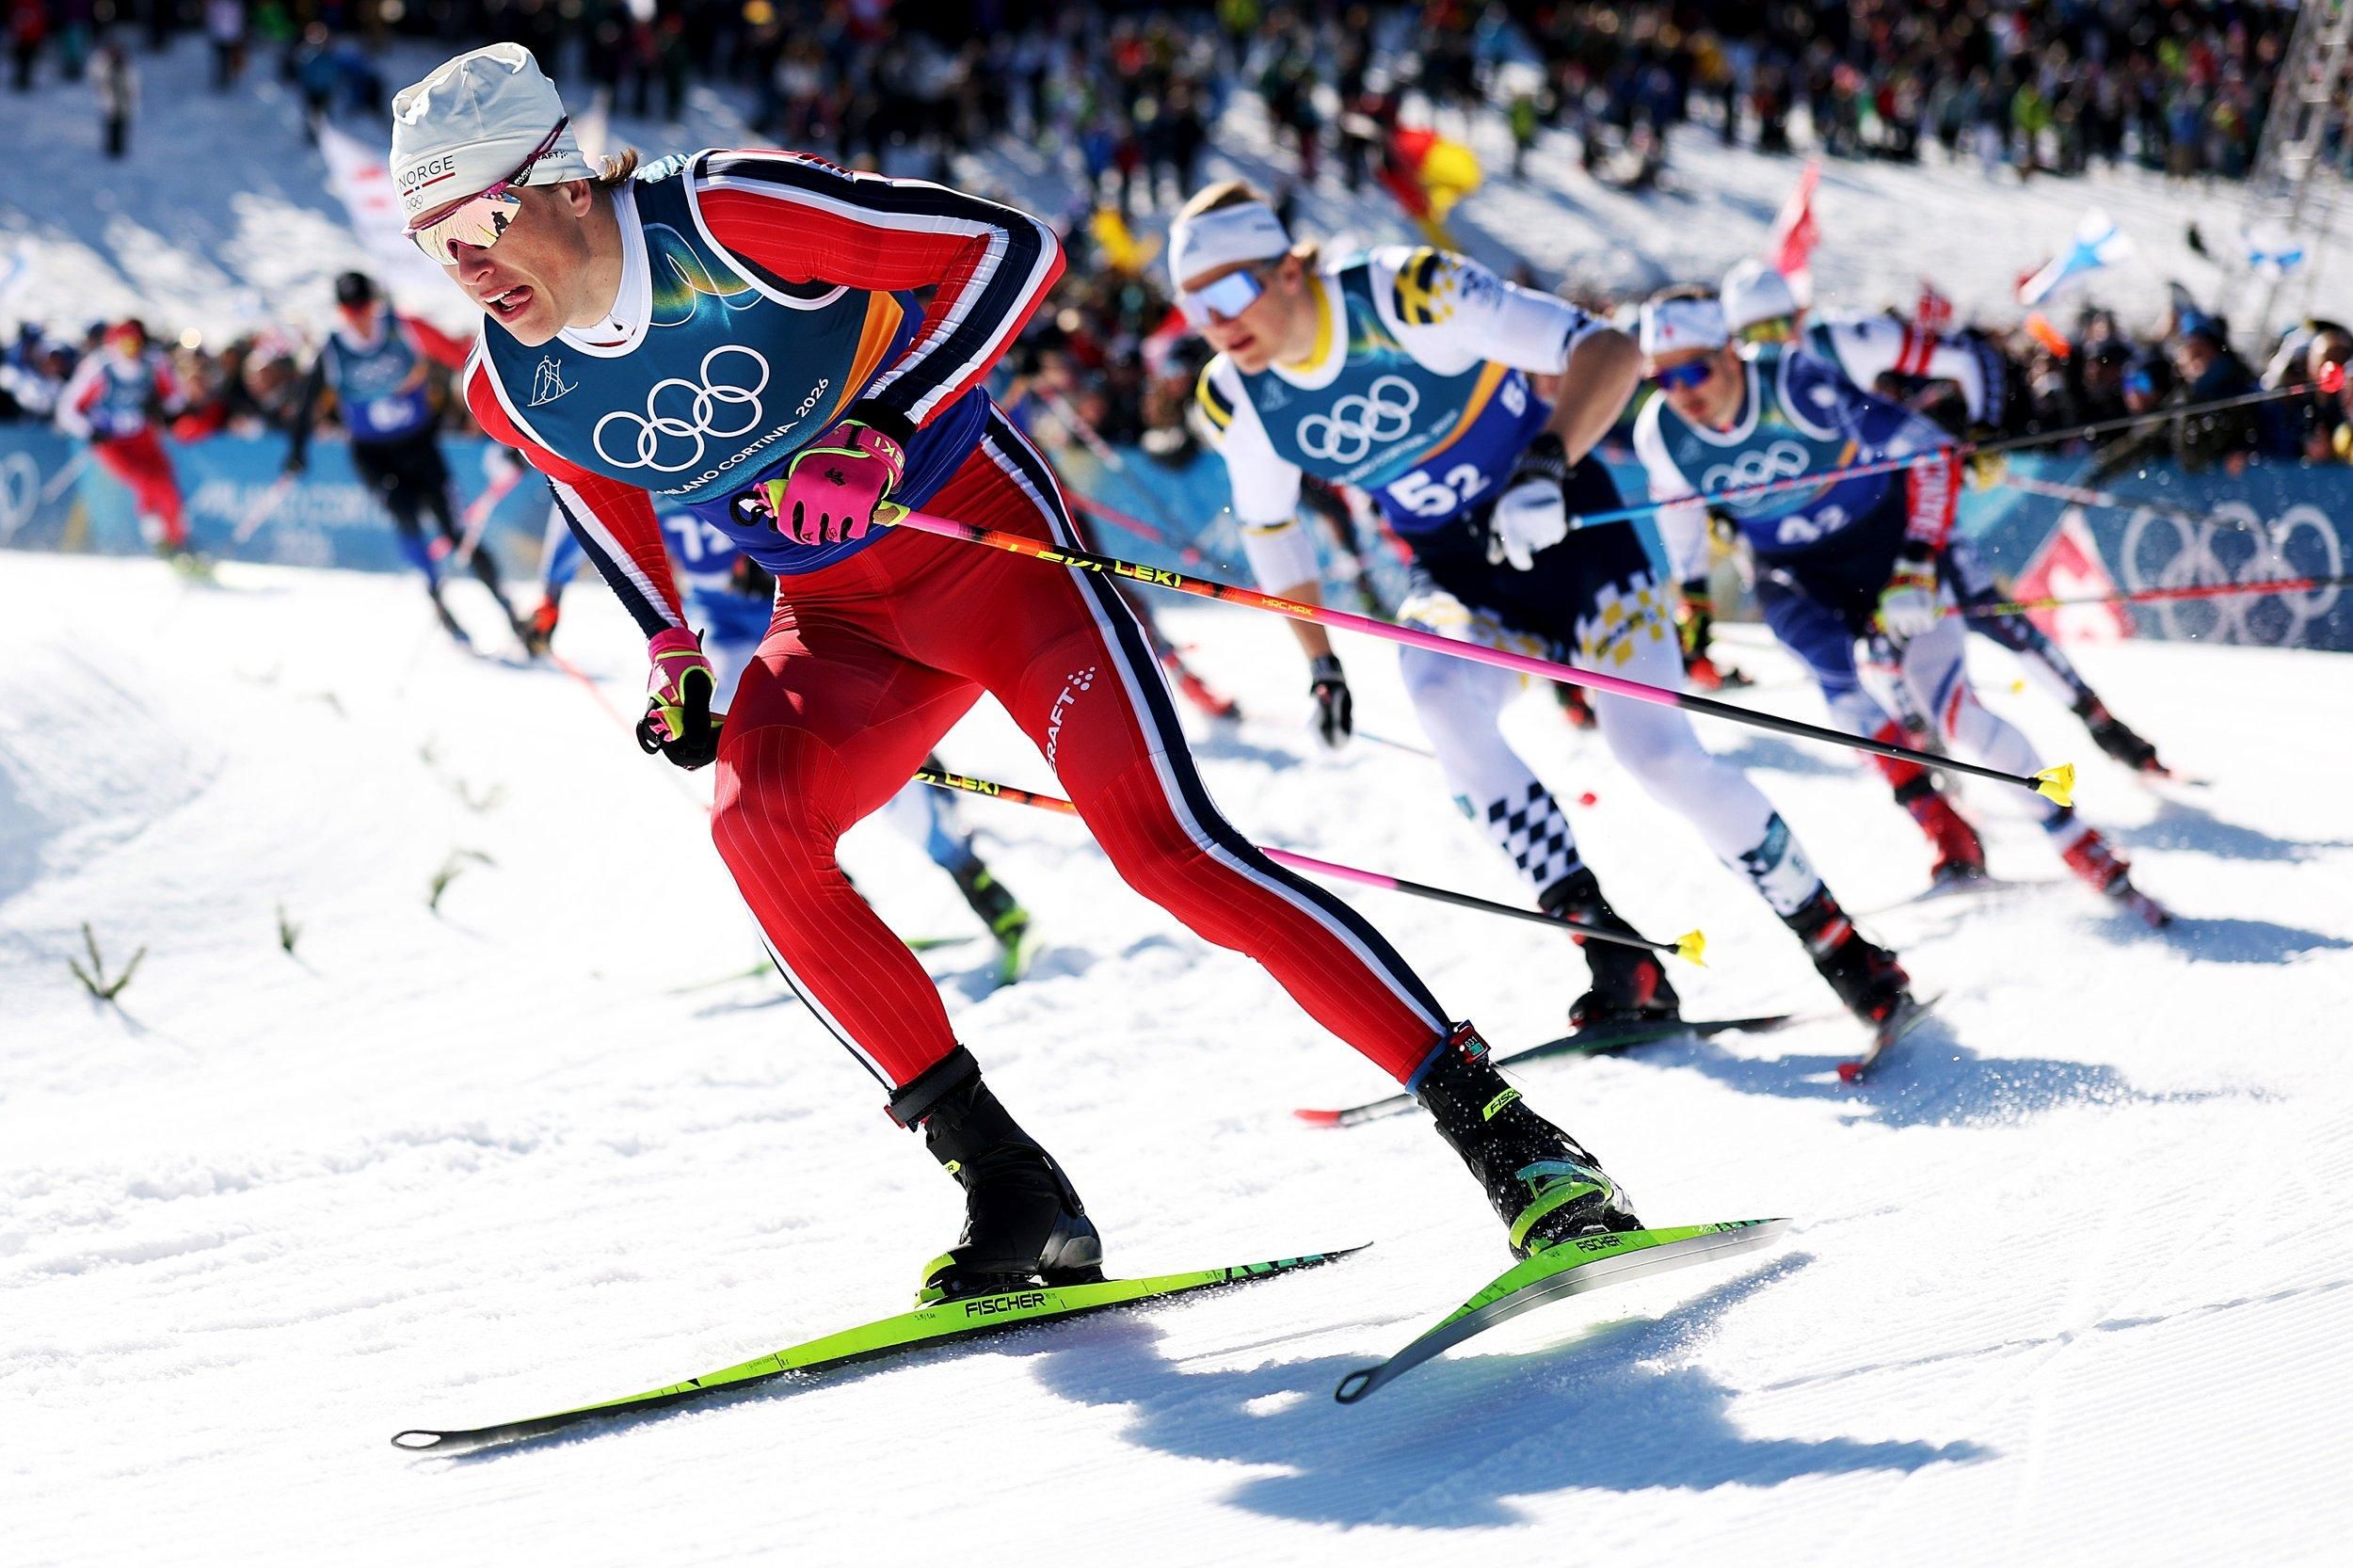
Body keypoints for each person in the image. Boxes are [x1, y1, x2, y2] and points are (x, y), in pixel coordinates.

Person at [392, 43, 1639, 1295]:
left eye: (480, 220)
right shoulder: (512, 380)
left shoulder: (727, 213)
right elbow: (595, 481)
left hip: (997, 553)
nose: (467, 266)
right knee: (756, 829)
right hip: (837, 619)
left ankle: (1515, 1140)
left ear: (558, 179)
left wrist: (884, 429)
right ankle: (1014, 1189)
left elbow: (1008, 253)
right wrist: (670, 644)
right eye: (432, 242)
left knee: (1170, 853)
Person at [1174, 179, 1915, 1035]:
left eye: (1232, 290)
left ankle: (1840, 943)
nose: (1218, 322)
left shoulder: (1406, 293)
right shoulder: (1236, 394)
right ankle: (1612, 952)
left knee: (1658, 755)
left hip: (1579, 541)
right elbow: (1274, 533)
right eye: (1196, 307)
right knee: (1441, 697)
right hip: (1464, 576)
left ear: (1291, 269)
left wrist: (1546, 463)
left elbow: (1606, 349)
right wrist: (1320, 663)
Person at [1632, 292, 2168, 927]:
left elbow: (1933, 452)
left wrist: (1917, 562)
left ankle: (2075, 836)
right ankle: (1943, 826)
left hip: (1885, 550)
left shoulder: (1800, 384)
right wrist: (1692, 606)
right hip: (1794, 576)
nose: (1682, 391)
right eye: (1663, 377)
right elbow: (1680, 515)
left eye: (1694, 370)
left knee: (1955, 713)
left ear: (1729, 353)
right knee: (1839, 690)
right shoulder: (1658, 432)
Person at [534, 500, 1039, 981]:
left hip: (816, 624)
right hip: (729, 639)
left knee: (878, 768)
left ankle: (988, 896)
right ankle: (832, 921)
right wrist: (549, 597)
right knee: (755, 782)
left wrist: (774, 550)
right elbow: (582, 507)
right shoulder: (628, 454)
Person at [1719, 262, 2170, 776]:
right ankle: (1934, 766)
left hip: (1904, 516)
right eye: (1752, 337)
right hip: (1836, 546)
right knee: (1884, 646)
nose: (1770, 348)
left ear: (1799, 316)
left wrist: (1983, 432)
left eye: (1779, 328)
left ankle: (2107, 729)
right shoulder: (1729, 388)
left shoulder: (1841, 341)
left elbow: (1969, 356)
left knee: (1991, 614)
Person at [283, 271, 531, 648]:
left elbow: (463, 359)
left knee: (456, 530)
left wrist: (509, 424)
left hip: (419, 447)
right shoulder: (333, 349)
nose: (358, 318)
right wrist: (297, 452)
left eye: (363, 307)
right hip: (374, 456)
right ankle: (439, 602)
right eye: (349, 311)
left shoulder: (404, 327)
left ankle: (507, 608)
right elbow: (305, 405)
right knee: (405, 516)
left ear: (375, 302)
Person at [56, 319, 195, 565]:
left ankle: (179, 542)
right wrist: (89, 430)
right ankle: (161, 540)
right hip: (112, 441)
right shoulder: (99, 368)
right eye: (125, 344)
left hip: (142, 436)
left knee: (167, 484)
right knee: (147, 482)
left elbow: (176, 399)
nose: (131, 350)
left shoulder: (152, 364)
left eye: (135, 344)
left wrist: (159, 406)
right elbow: (67, 409)